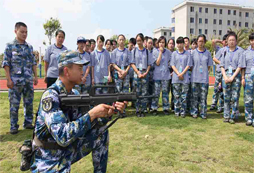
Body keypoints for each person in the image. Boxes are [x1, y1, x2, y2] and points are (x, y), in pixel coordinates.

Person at [31, 50, 126, 172]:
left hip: (64, 150)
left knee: (101, 133)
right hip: (48, 157)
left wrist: (107, 114)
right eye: (79, 67)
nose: (83, 71)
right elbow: (63, 137)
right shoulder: (50, 96)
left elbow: (84, 124)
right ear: (66, 71)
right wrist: (92, 114)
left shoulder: (74, 93)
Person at [2, 22, 38, 134]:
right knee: (14, 104)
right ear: (15, 31)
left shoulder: (29, 47)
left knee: (29, 103)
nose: (24, 34)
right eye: (22, 32)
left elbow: (33, 63)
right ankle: (13, 126)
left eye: (26, 32)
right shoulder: (10, 46)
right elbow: (6, 64)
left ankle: (28, 123)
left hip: (27, 80)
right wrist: (8, 79)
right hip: (15, 82)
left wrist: (36, 76)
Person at [220, 31, 245, 124]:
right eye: (229, 40)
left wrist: (232, 77)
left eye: (233, 40)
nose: (231, 42)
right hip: (226, 75)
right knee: (226, 97)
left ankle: (233, 116)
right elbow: (221, 65)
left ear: (236, 41)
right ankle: (226, 115)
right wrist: (225, 77)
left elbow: (240, 66)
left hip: (236, 75)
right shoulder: (224, 51)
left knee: (235, 97)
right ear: (227, 41)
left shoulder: (240, 51)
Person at [190, 34, 213, 119]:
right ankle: (194, 112)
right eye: (199, 41)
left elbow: (209, 66)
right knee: (194, 97)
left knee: (203, 97)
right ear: (197, 42)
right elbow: (191, 66)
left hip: (204, 79)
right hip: (195, 78)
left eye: (202, 41)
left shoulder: (208, 53)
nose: (200, 43)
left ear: (205, 42)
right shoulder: (193, 53)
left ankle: (203, 113)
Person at [130, 33, 153, 117]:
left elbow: (149, 64)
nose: (138, 42)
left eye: (140, 40)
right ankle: (137, 109)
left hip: (145, 73)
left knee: (144, 92)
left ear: (143, 41)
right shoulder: (134, 51)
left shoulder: (147, 51)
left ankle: (143, 110)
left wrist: (146, 73)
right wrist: (138, 72)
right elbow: (132, 63)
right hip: (137, 74)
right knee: (137, 92)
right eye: (137, 40)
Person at [170, 37, 192, 117]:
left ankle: (183, 111)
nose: (179, 45)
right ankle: (177, 111)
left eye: (181, 43)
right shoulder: (174, 54)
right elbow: (172, 65)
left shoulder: (188, 53)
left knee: (184, 96)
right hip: (176, 78)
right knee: (176, 96)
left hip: (185, 78)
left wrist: (182, 73)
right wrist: (178, 74)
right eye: (178, 43)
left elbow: (188, 65)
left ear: (183, 44)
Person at [150, 36, 171, 115]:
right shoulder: (155, 52)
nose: (161, 44)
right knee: (156, 93)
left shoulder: (169, 52)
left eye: (163, 42)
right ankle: (154, 108)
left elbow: (171, 62)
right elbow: (157, 63)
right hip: (157, 76)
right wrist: (160, 53)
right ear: (158, 43)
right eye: (160, 42)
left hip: (166, 76)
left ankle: (166, 108)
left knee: (165, 93)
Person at [111, 34, 131, 117]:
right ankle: (118, 111)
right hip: (117, 73)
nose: (121, 41)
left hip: (126, 72)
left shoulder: (128, 51)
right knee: (118, 92)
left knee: (125, 92)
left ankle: (123, 110)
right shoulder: (114, 52)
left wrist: (125, 72)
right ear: (118, 41)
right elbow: (113, 64)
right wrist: (120, 71)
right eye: (120, 39)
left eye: (123, 39)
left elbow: (130, 63)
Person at [210, 34, 228, 113]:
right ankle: (213, 104)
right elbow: (213, 42)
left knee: (223, 89)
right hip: (219, 71)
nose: (226, 43)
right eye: (226, 41)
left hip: (226, 72)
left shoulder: (229, 50)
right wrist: (220, 41)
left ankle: (221, 106)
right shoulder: (219, 49)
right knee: (216, 88)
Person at [242, 33, 254, 126]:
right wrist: (242, 78)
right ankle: (248, 118)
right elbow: (243, 67)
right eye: (251, 40)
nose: (253, 42)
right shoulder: (245, 52)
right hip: (248, 76)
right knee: (248, 98)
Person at [167, 38, 176, 112]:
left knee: (174, 91)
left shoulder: (176, 53)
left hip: (174, 72)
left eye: (172, 43)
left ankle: (173, 106)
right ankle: (166, 106)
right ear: (167, 44)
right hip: (166, 72)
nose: (171, 45)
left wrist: (174, 72)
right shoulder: (165, 52)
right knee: (166, 91)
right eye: (170, 43)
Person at [146, 37, 154, 112]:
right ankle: (146, 105)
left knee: (152, 90)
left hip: (153, 74)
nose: (150, 44)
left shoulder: (154, 52)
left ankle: (151, 106)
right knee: (146, 90)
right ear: (146, 43)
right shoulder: (144, 51)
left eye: (151, 43)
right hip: (145, 74)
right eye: (149, 43)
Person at [128, 38, 136, 108]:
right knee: (127, 89)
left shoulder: (135, 52)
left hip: (133, 74)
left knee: (133, 88)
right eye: (131, 45)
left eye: (133, 45)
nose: (131, 46)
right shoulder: (126, 51)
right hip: (127, 74)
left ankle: (133, 103)